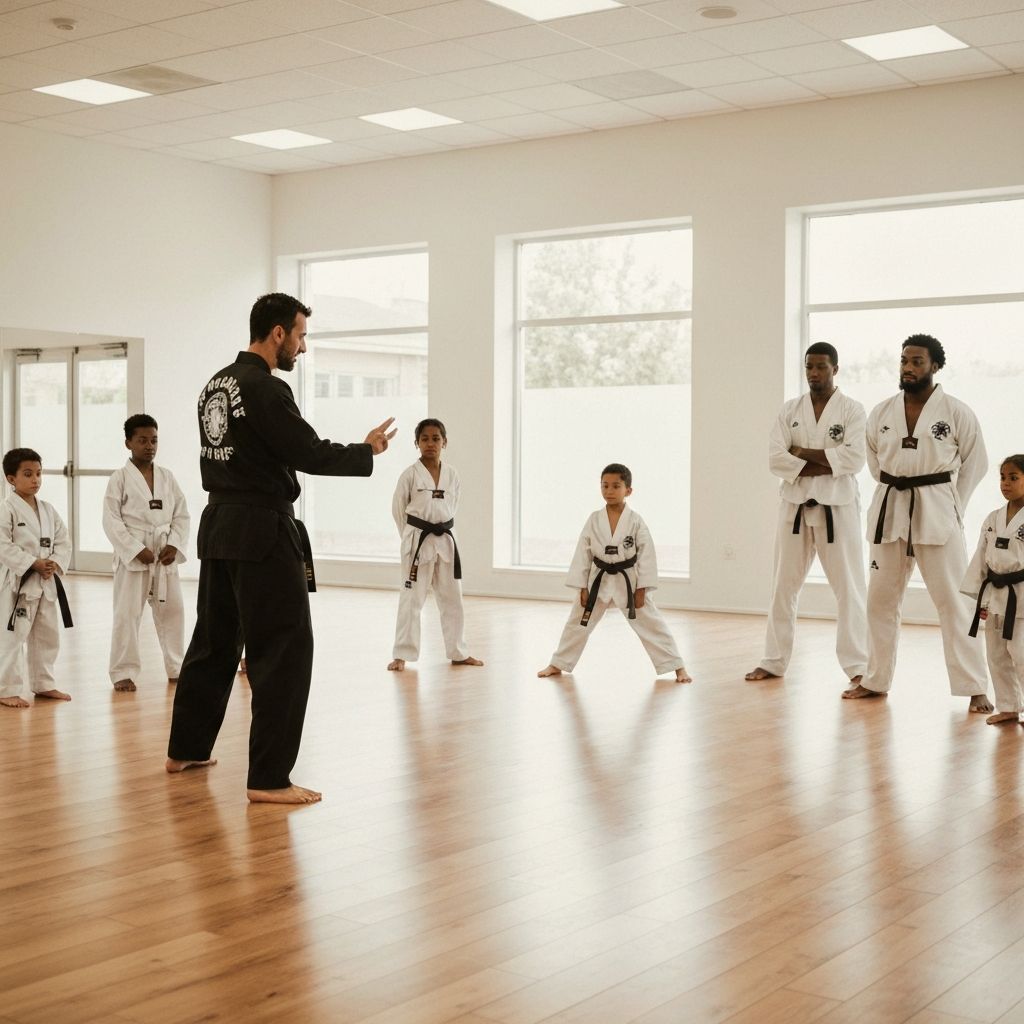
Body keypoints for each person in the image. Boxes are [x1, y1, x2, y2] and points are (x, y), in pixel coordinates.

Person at [165, 293, 396, 804]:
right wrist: (366, 450)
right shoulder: (266, 388)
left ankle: (185, 747)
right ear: (277, 334)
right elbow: (307, 452)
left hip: (220, 524)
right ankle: (269, 778)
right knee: (284, 650)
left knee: (215, 641)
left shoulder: (215, 385)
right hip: (261, 529)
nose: (303, 347)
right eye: (301, 335)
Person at [844, 334, 992, 711]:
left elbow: (976, 463)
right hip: (891, 506)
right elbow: (874, 460)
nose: (908, 368)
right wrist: (899, 481)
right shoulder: (881, 412)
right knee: (879, 600)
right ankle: (876, 679)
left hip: (938, 509)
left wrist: (951, 500)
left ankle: (974, 686)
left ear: (935, 366)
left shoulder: (956, 411)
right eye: (904, 361)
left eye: (917, 362)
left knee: (955, 602)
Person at [745, 343, 868, 687]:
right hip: (795, 508)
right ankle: (773, 660)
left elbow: (855, 458)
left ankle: (858, 665)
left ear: (835, 369)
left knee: (850, 589)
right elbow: (776, 459)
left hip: (837, 509)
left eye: (821, 367)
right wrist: (827, 460)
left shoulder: (852, 411)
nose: (814, 373)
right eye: (809, 367)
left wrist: (802, 455)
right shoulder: (790, 410)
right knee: (783, 587)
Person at [538, 463, 691, 683]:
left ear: (628, 490)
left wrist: (642, 588)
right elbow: (583, 552)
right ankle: (558, 663)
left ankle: (677, 667)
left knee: (652, 623)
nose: (609, 491)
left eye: (615, 486)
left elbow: (647, 556)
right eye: (605, 486)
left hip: (628, 579)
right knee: (577, 622)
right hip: (598, 579)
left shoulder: (636, 521)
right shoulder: (593, 519)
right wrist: (582, 586)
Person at [387, 418, 483, 672]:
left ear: (445, 441)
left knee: (453, 599)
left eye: (436, 438)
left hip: (446, 541)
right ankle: (402, 654)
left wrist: (440, 529)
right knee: (412, 599)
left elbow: (453, 506)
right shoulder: (409, 475)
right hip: (417, 543)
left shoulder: (452, 474)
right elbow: (398, 510)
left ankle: (458, 652)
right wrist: (410, 537)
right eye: (425, 439)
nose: (431, 443)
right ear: (416, 443)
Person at [103, 414, 190, 692]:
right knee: (127, 614)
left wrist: (175, 544)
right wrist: (135, 549)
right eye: (142, 440)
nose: (149, 446)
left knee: (173, 610)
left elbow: (182, 515)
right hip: (134, 555)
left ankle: (177, 667)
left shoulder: (167, 476)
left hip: (163, 553)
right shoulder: (119, 479)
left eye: (154, 440)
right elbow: (111, 521)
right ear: (128, 443)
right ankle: (123, 672)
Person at [0, 448, 72, 708]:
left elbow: (64, 541)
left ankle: (44, 683)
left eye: (39, 474)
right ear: (11, 479)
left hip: (46, 580)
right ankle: (7, 688)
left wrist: (55, 561)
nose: (36, 480)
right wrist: (32, 563)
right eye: (28, 474)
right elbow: (2, 545)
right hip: (18, 583)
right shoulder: (6, 510)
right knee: (13, 636)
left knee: (47, 633)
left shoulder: (49, 510)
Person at [961, 455, 1024, 724]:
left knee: (1021, 654)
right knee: (996, 654)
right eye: (1002, 477)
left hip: (1021, 594)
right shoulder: (992, 518)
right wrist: (977, 588)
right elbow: (980, 555)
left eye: (1013, 478)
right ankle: (1008, 707)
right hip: (995, 592)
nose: (1005, 484)